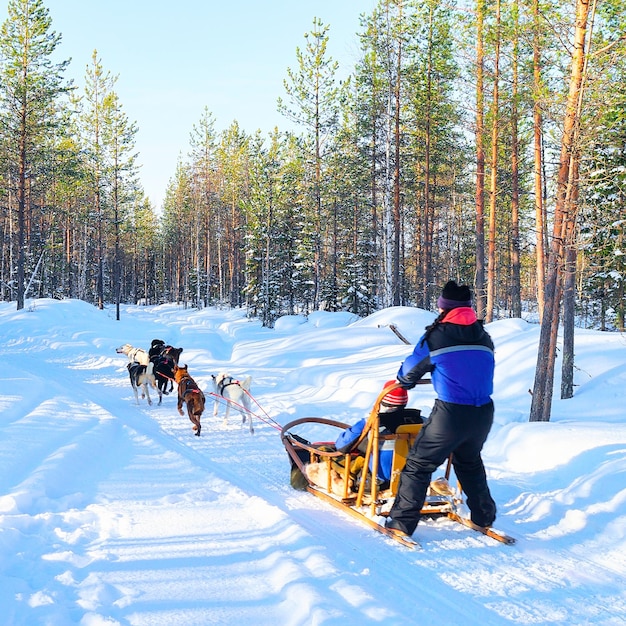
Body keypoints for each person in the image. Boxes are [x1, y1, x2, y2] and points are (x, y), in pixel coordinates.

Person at [385, 280, 497, 538]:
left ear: (442, 307)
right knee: (469, 461)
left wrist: (405, 382)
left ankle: (401, 523)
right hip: (483, 412)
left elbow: (409, 372)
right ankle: (484, 517)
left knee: (419, 464)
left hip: (451, 413)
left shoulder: (436, 336)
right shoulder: (483, 335)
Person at [335, 380, 423, 489]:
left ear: (381, 401)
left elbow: (341, 446)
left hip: (377, 480)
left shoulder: (371, 422)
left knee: (338, 456)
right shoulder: (421, 422)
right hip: (414, 479)